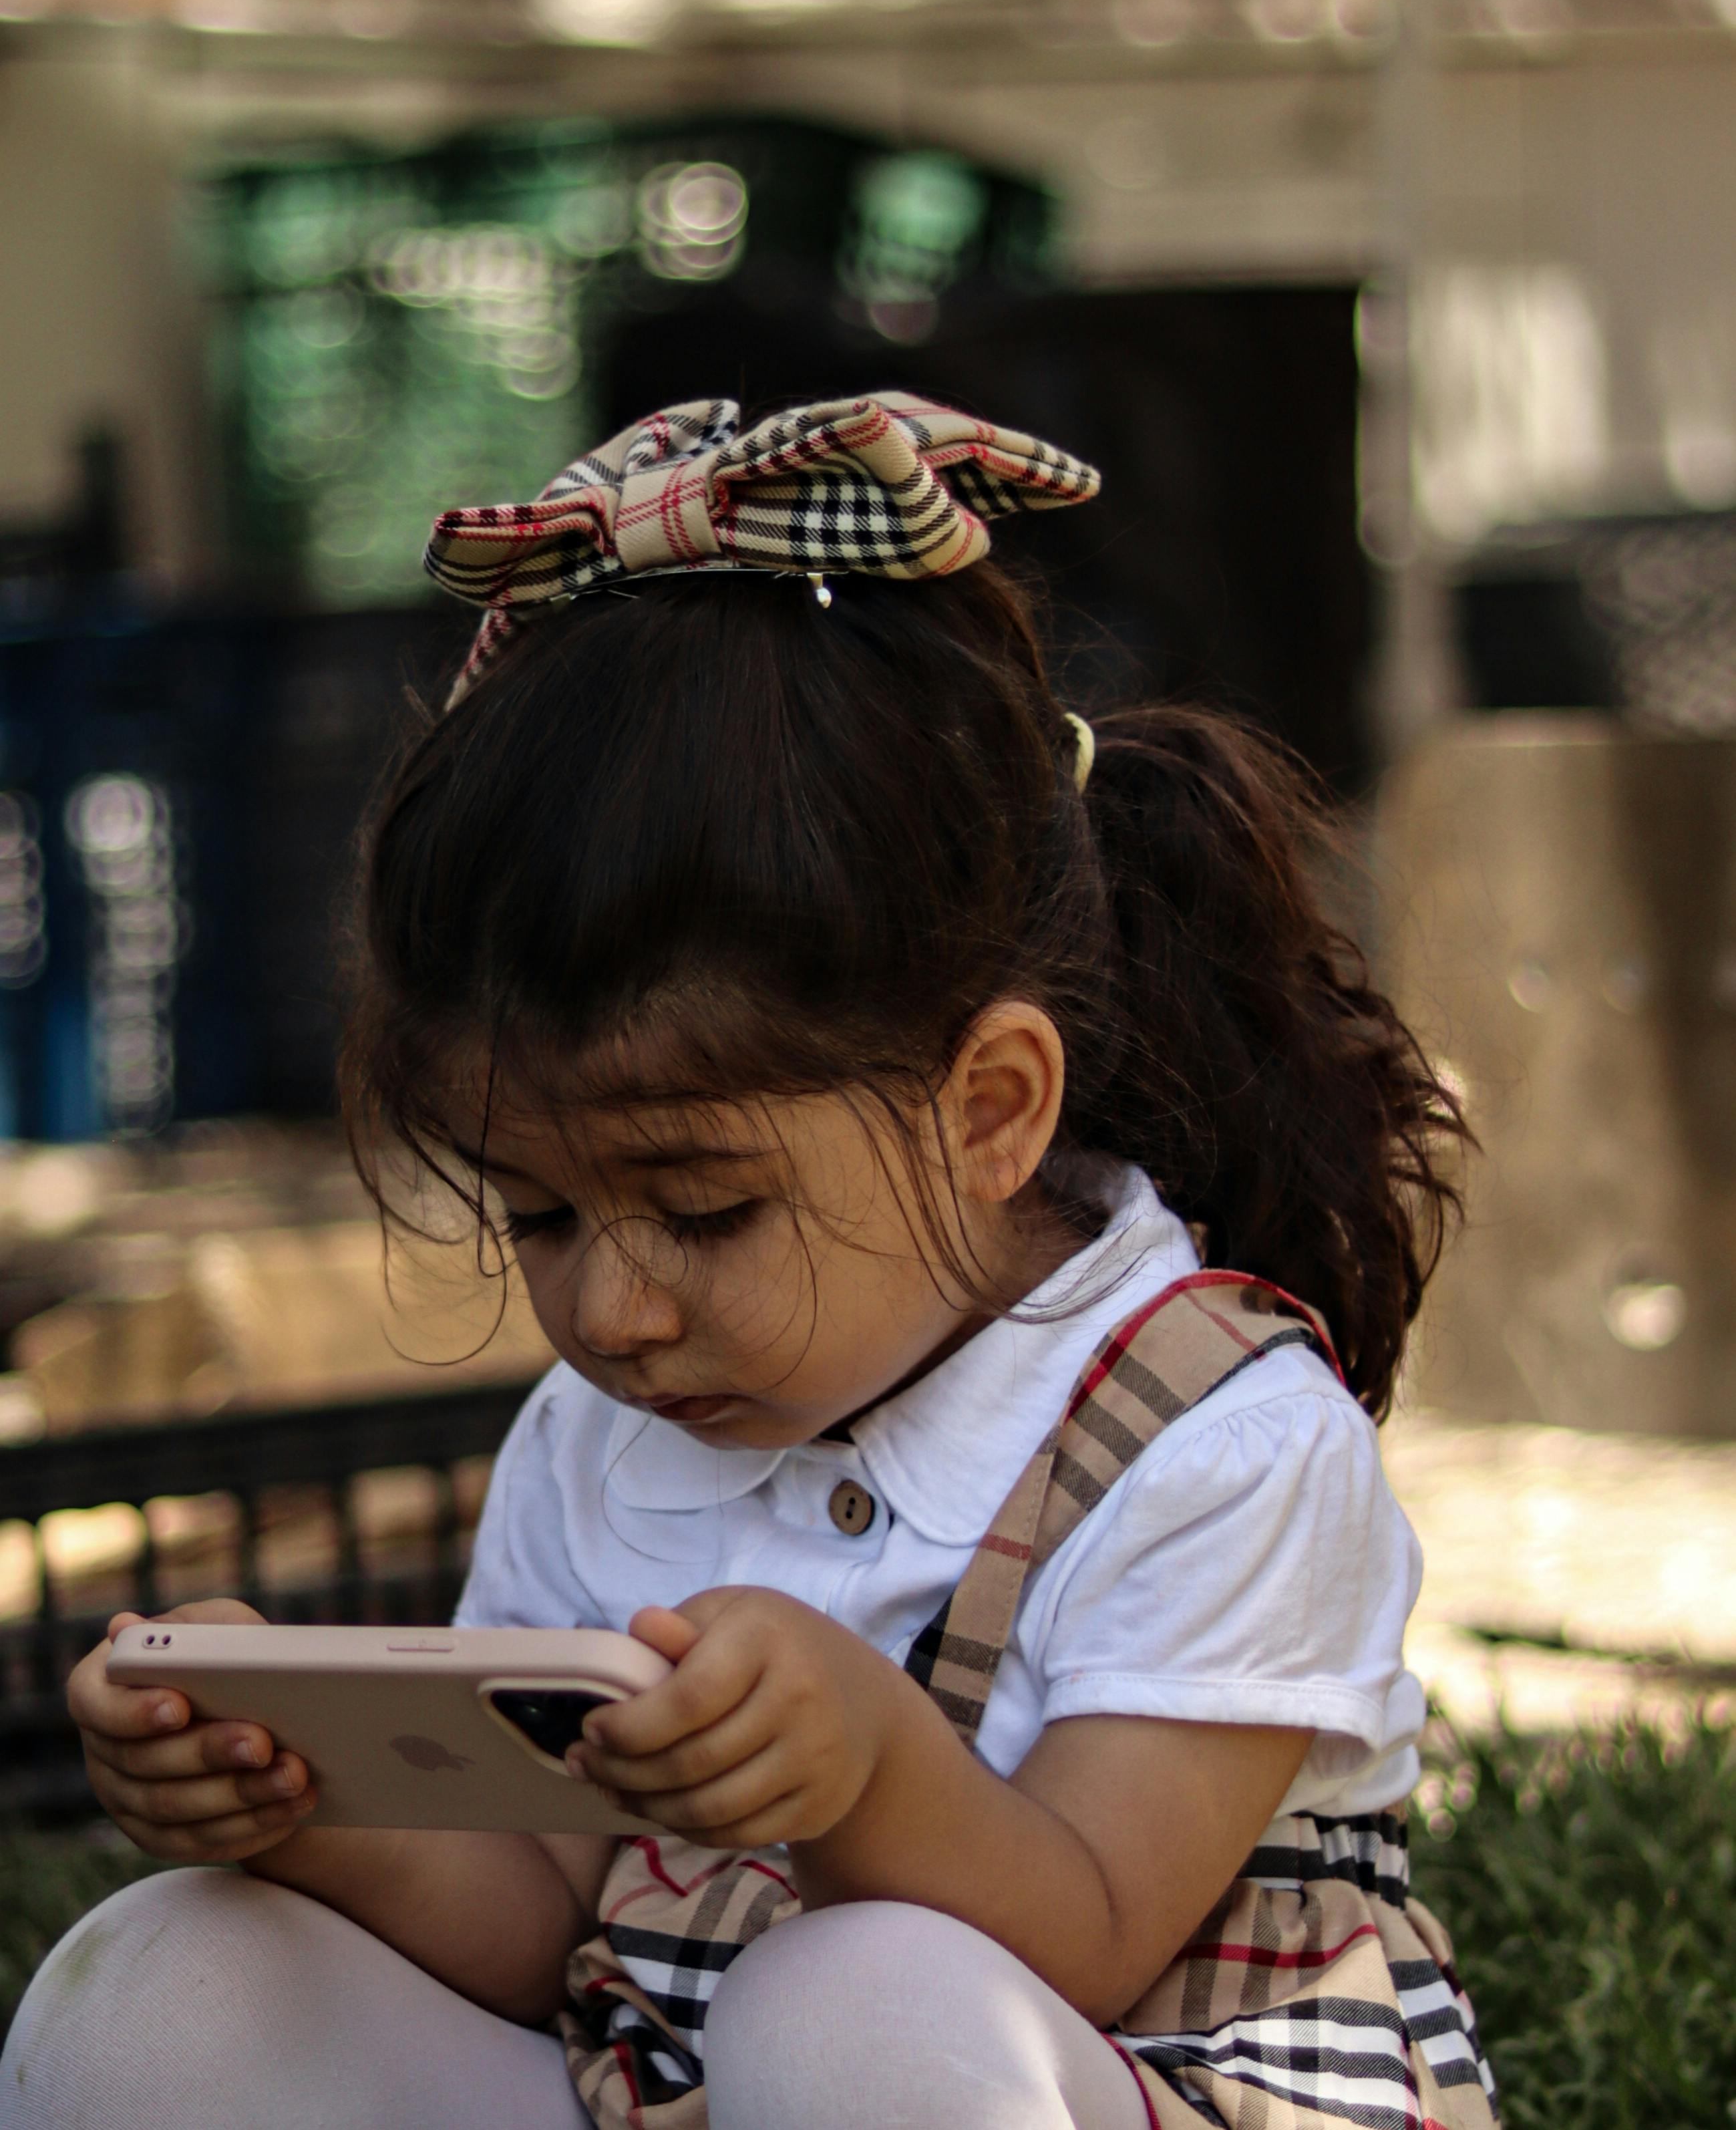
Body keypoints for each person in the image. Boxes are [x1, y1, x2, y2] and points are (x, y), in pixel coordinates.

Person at [6, 394, 1497, 2130]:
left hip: (1116, 2075)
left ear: (994, 1107)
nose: (613, 1313)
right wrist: (294, 1797)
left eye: (705, 1210)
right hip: (702, 2079)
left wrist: (867, 1759)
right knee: (163, 1990)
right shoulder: (603, 1436)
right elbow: (545, 1917)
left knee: (850, 1997)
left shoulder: (1219, 1444)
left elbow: (1082, 1935)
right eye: (540, 1215)